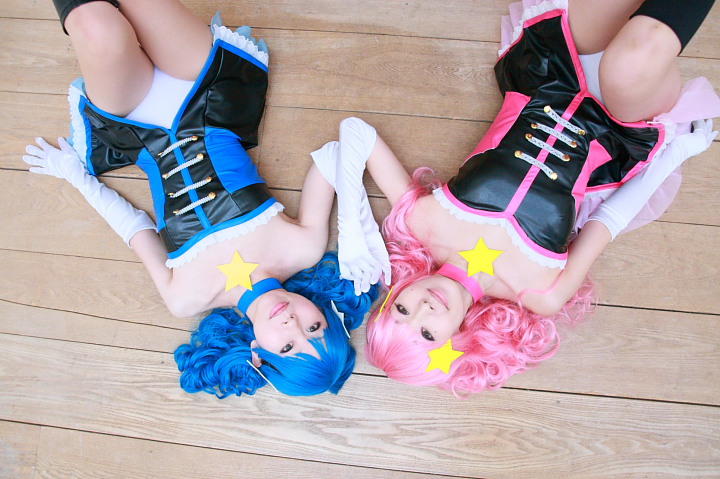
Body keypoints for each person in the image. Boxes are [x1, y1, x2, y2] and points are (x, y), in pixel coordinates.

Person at [312, 0, 719, 397]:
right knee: (630, 61)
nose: (423, 308)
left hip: (551, 71)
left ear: (392, 298)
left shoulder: (420, 222)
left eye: (401, 310)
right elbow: (608, 220)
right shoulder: (539, 293)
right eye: (427, 333)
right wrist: (676, 155)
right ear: (456, 342)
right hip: (619, 128)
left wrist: (352, 231)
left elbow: (356, 132)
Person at [22, 0, 379, 397]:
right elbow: (334, 154)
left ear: (258, 354)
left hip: (135, 124)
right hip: (206, 93)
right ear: (325, 313)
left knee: (96, 28)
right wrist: (354, 235)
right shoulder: (303, 248)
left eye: (288, 347)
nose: (292, 324)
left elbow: (135, 228)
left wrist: (76, 178)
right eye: (314, 327)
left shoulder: (186, 298)